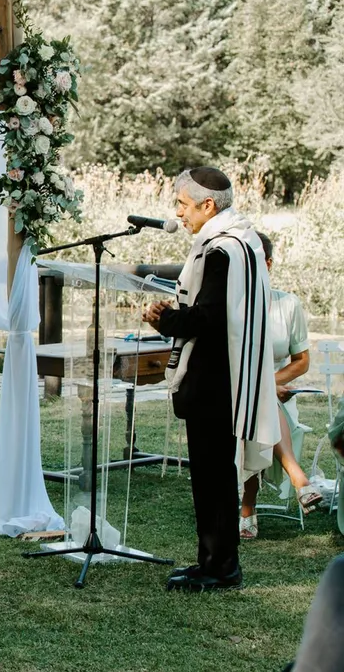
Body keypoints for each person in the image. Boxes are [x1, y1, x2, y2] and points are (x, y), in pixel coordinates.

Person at [143, 167, 280, 592]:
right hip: (227, 374)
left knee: (214, 478)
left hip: (216, 380)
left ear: (207, 205)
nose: (178, 214)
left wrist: (165, 318)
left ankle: (220, 568)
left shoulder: (221, 250)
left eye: (182, 205)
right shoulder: (245, 242)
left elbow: (212, 318)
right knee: (211, 476)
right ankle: (211, 561)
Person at [238, 232, 322, 539]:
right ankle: (300, 478)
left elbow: (302, 361)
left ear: (268, 264)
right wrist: (261, 388)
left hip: (279, 396)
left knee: (263, 405)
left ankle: (248, 509)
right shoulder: (228, 307)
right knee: (258, 405)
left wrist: (268, 384)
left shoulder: (288, 305)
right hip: (236, 395)